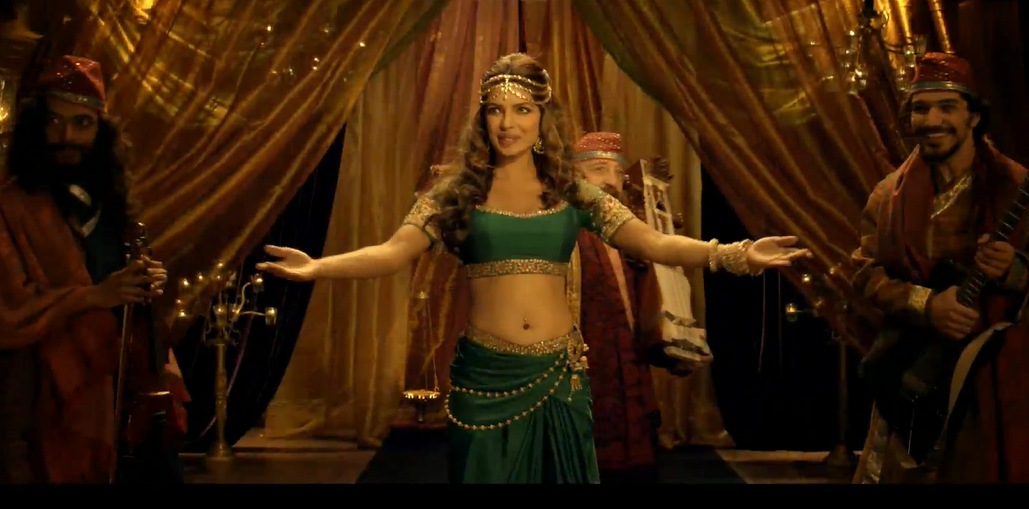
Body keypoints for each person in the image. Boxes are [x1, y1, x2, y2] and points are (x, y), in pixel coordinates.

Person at [257, 52, 811, 484]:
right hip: (484, 378)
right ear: (482, 119)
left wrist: (736, 254)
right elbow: (392, 252)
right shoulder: (455, 192)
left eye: (522, 109)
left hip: (559, 376)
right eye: (496, 110)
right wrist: (318, 267)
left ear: (543, 118)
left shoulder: (571, 190)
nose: (508, 123)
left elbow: (654, 243)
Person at [0, 55, 189, 483]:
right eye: (54, 122)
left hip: (124, 383)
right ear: (34, 127)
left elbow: (118, 276)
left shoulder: (110, 201)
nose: (66, 136)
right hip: (48, 392)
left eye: (81, 123)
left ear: (100, 130)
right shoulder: (11, 207)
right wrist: (96, 295)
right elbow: (9, 308)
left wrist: (143, 281)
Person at [850, 52, 1029, 484]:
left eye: (946, 107)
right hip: (916, 374)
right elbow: (864, 274)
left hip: (997, 377)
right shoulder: (888, 196)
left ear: (973, 117)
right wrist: (927, 305)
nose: (932, 120)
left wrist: (1014, 270)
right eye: (921, 108)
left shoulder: (1015, 186)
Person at [567, 132, 694, 483]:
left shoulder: (627, 233)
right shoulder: (563, 229)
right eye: (598, 170)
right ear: (575, 176)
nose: (611, 181)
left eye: (618, 173)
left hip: (627, 356)